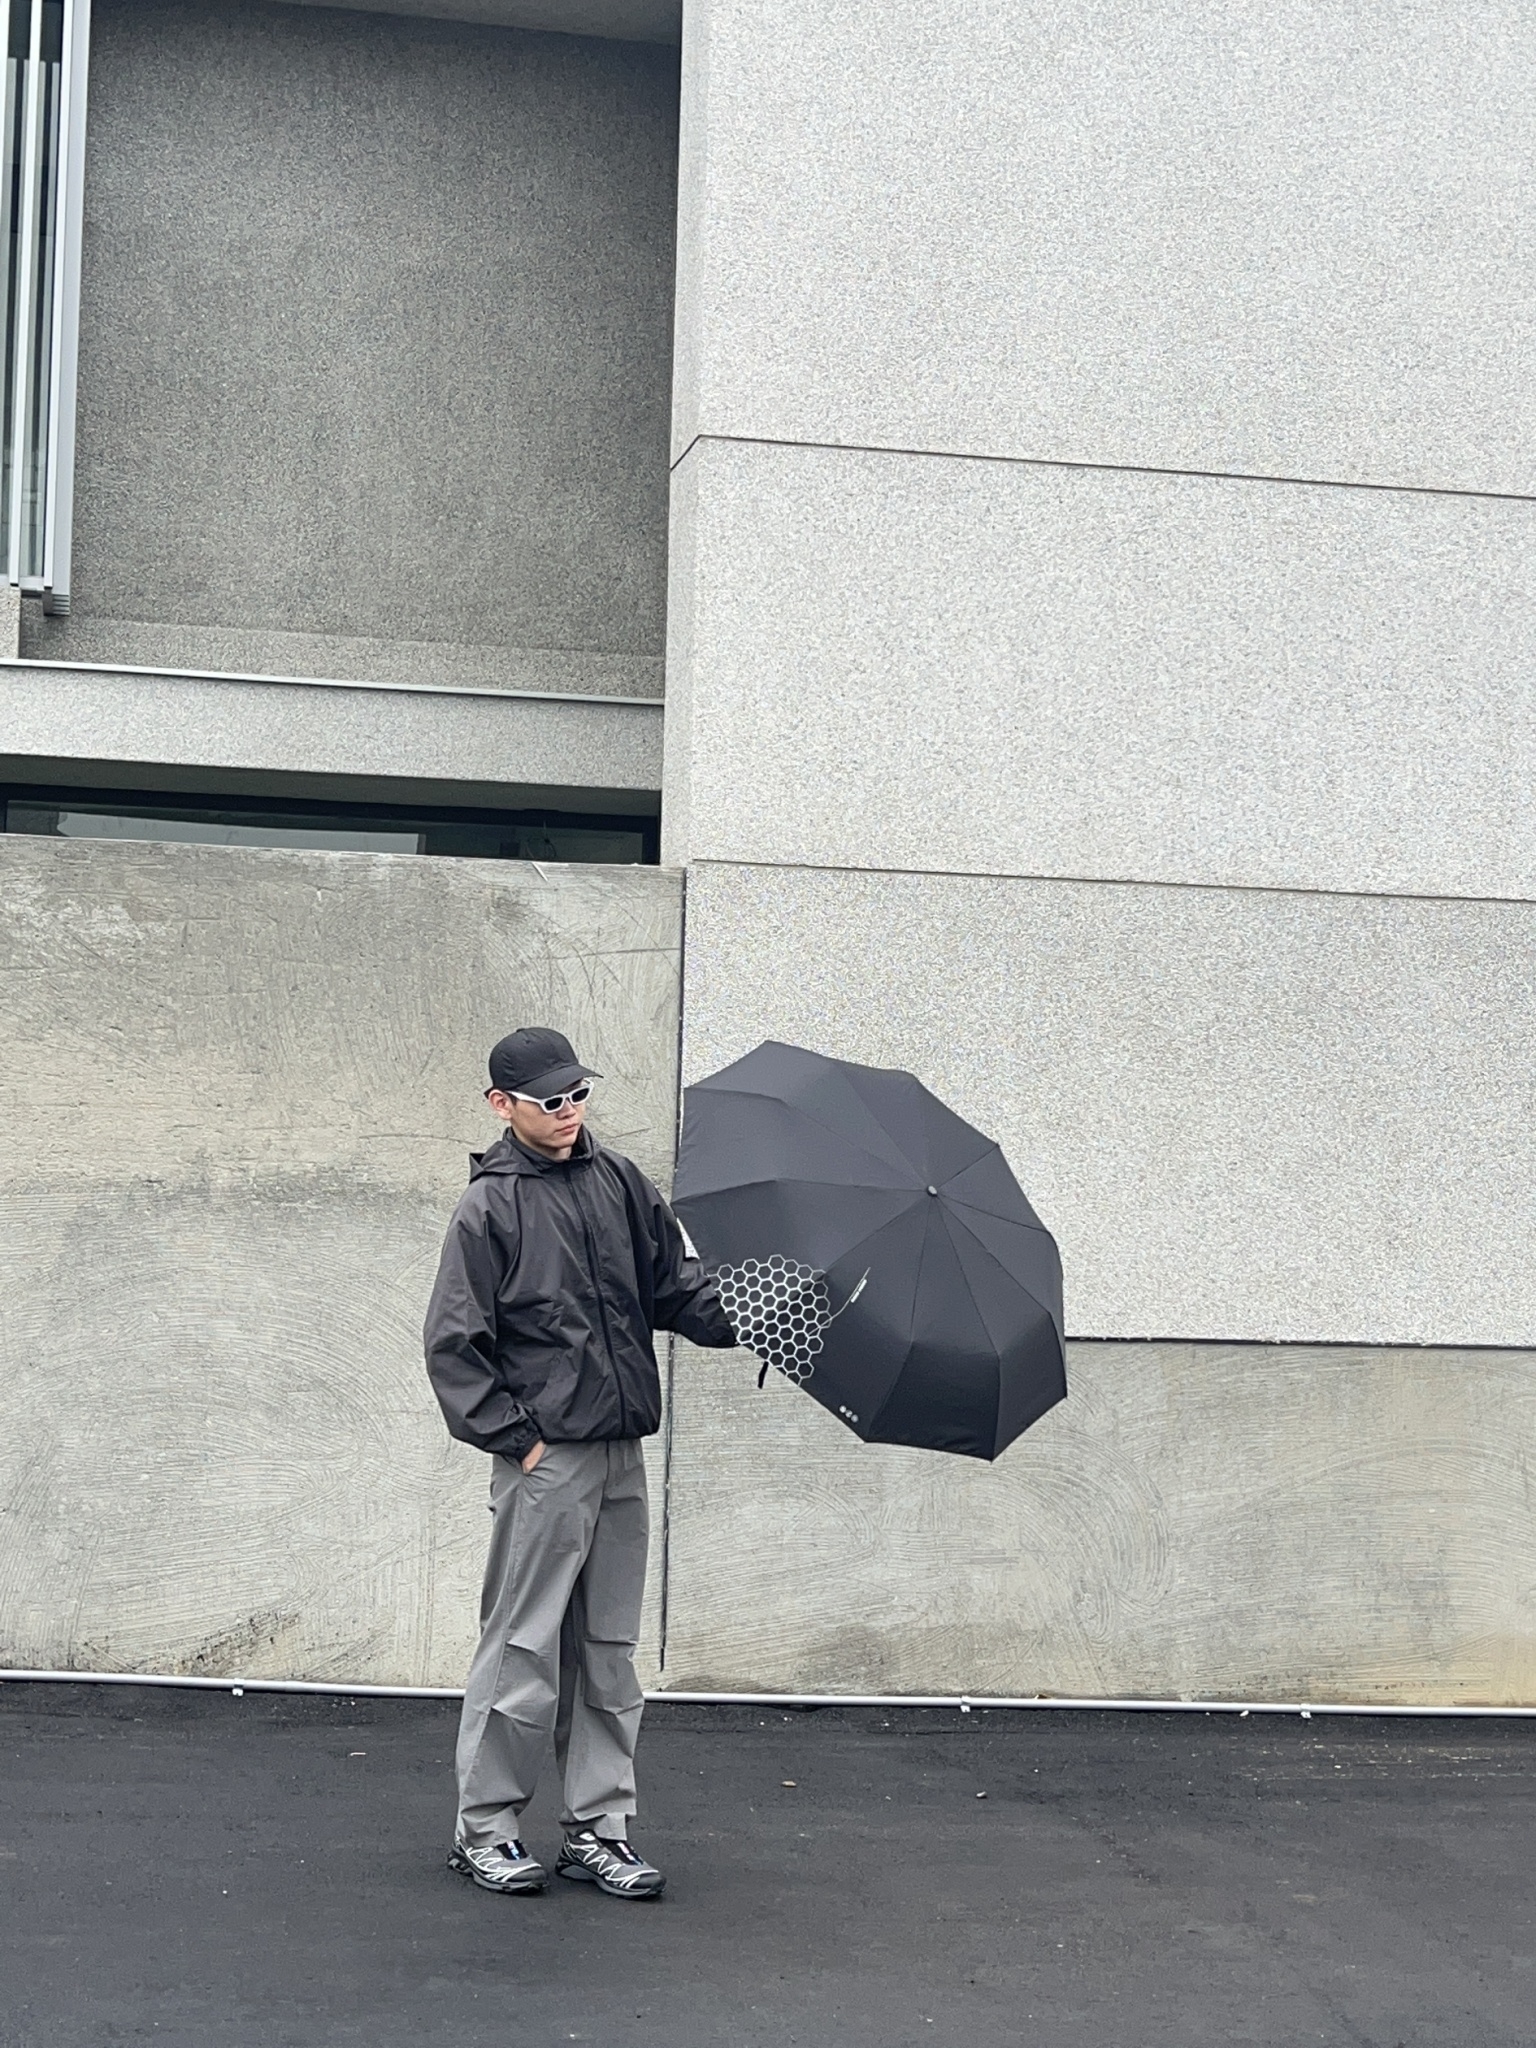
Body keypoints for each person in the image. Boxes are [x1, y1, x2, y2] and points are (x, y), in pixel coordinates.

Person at [424, 1026, 736, 1901]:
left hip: (620, 1452)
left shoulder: (620, 1182)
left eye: (578, 1095)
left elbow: (676, 1289)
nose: (569, 1112)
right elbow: (453, 1345)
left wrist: (762, 1308)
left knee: (608, 1651)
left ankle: (598, 1830)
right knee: (522, 1648)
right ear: (502, 1105)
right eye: (550, 1101)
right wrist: (519, 1441)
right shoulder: (490, 1209)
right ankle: (485, 1831)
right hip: (547, 1460)